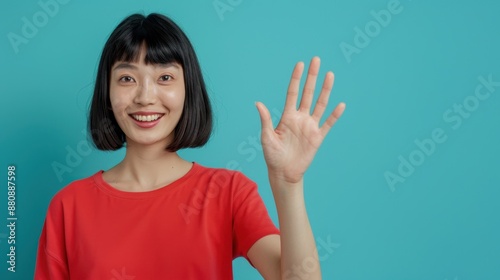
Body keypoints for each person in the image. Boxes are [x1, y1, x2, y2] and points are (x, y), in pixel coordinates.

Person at [34, 13, 346, 280]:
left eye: (165, 77)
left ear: (188, 89)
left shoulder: (228, 192)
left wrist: (288, 184)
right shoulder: (69, 207)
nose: (145, 96)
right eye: (127, 78)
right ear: (107, 91)